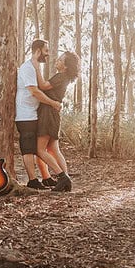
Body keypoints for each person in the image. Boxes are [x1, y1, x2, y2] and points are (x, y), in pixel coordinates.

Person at [15, 39, 68, 189]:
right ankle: (35, 180)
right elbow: (35, 90)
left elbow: (42, 88)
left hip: (34, 114)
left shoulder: (34, 68)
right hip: (25, 114)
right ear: (38, 51)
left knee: (38, 149)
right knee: (29, 148)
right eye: (46, 51)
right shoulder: (28, 68)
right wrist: (53, 103)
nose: (48, 54)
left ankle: (58, 178)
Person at [35, 50, 79, 192]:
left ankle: (62, 177)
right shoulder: (63, 77)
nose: (57, 61)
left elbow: (43, 86)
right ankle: (66, 181)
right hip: (52, 114)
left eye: (60, 60)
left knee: (39, 150)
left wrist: (36, 67)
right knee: (53, 149)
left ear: (65, 66)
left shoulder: (61, 76)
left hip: (48, 114)